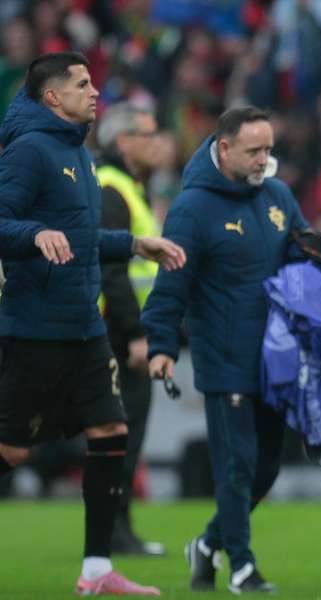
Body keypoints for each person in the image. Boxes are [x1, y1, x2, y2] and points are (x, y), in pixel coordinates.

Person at [0, 51, 185, 596]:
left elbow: (80, 242)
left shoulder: (76, 154)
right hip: (34, 329)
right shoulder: (30, 151)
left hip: (84, 329)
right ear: (53, 96)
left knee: (112, 433)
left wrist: (133, 243)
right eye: (81, 84)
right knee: (11, 451)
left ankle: (97, 570)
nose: (94, 91)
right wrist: (32, 234)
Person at [142, 106, 307, 594]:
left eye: (269, 150)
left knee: (267, 468)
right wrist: (161, 344)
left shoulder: (278, 195)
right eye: (254, 151)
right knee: (236, 467)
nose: (263, 160)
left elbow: (302, 256)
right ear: (224, 148)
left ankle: (208, 544)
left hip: (275, 358)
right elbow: (171, 283)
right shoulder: (192, 208)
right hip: (224, 355)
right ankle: (241, 565)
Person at [95, 102, 166, 556]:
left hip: (123, 334)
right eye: (146, 133)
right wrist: (136, 333)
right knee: (119, 434)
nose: (156, 141)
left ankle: (118, 527)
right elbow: (112, 270)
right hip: (118, 338)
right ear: (123, 142)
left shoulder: (128, 187)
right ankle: (112, 530)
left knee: (124, 434)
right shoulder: (112, 189)